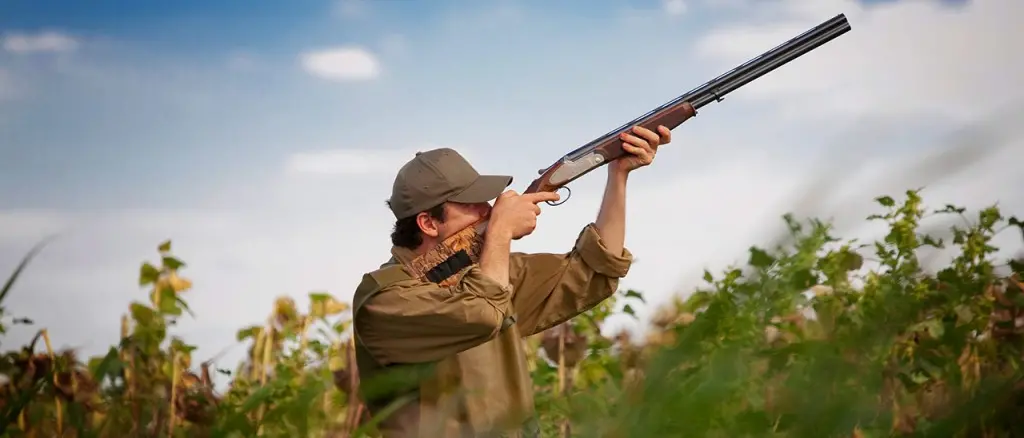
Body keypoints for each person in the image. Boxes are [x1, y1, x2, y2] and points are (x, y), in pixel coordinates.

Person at [351, 124, 672, 437]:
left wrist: (618, 175)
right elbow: (481, 311)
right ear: (429, 223)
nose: (489, 210)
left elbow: (594, 272)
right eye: (472, 204)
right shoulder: (383, 300)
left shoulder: (489, 273)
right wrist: (502, 232)